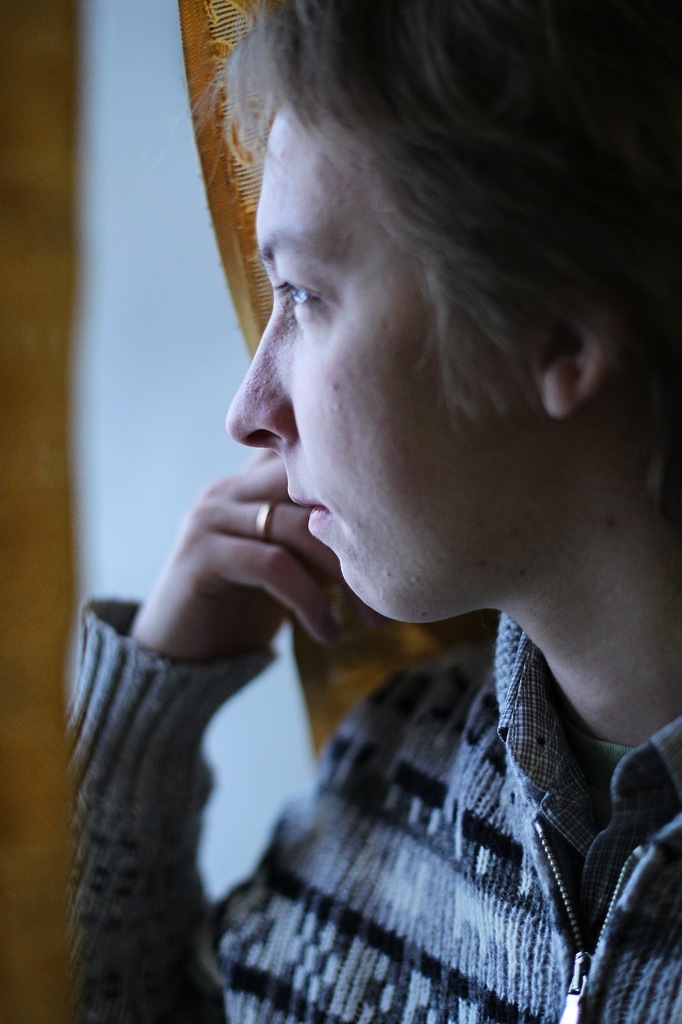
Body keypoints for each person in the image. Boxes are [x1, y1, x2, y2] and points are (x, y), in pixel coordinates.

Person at [70, 0, 682, 1020]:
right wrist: (142, 734)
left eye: (305, 295)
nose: (249, 412)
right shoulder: (391, 766)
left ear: (563, 336)